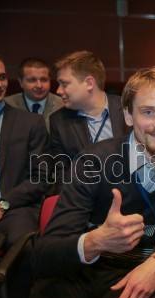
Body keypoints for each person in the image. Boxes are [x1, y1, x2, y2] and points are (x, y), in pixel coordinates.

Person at [30, 67, 155, 298]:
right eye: (148, 112)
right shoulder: (93, 161)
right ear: (128, 115)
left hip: (139, 272)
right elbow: (44, 256)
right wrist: (96, 241)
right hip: (77, 274)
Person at [0, 55, 50, 298]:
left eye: (1, 77)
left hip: (14, 207)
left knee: (23, 250)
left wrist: (3, 204)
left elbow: (40, 179)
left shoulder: (29, 122)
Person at [49, 50, 130, 192]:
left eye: (64, 84)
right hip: (85, 198)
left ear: (89, 83)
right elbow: (63, 174)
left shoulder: (128, 110)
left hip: (129, 193)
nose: (58, 91)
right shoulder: (58, 122)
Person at [4, 57, 64, 130]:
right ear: (20, 82)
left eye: (44, 80)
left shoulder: (62, 105)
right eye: (32, 80)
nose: (39, 85)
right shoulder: (7, 105)